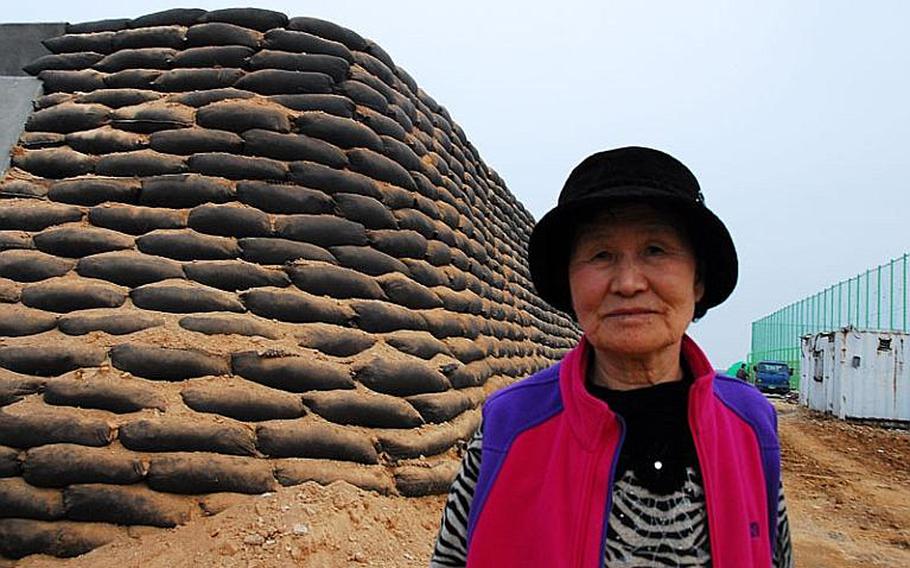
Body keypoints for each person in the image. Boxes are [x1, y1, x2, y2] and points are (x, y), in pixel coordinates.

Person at [430, 147, 792, 567]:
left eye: (656, 249)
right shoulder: (509, 426)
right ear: (569, 284)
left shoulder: (749, 422)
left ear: (698, 280)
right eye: (601, 255)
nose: (628, 282)